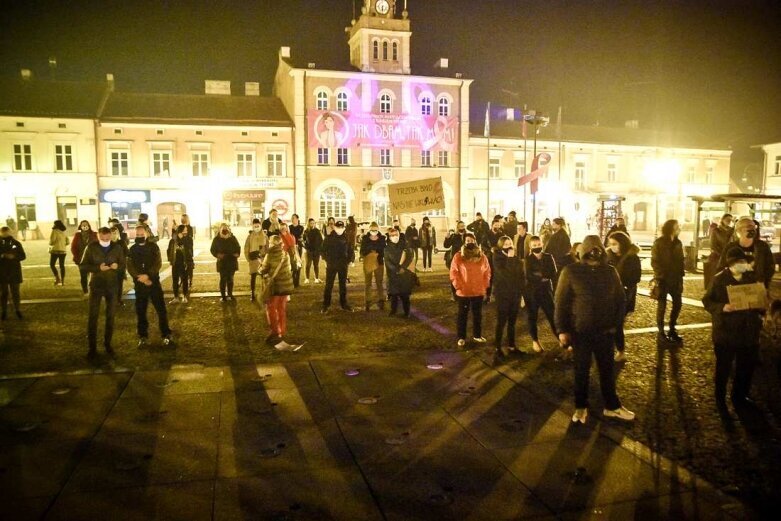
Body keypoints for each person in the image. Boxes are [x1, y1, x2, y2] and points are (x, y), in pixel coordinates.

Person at [555, 236, 635, 424]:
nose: (594, 254)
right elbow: (560, 303)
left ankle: (612, 406)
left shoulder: (610, 271)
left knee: (607, 370)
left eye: (597, 250)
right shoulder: (571, 271)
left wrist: (616, 324)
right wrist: (562, 330)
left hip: (605, 331)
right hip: (580, 331)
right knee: (581, 371)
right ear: (583, 252)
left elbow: (620, 300)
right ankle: (581, 407)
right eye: (590, 250)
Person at [703, 247, 765, 409]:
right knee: (723, 367)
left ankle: (740, 395)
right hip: (726, 332)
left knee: (745, 367)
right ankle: (720, 397)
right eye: (741, 262)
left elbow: (761, 304)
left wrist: (761, 300)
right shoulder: (719, 279)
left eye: (745, 261)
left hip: (748, 332)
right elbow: (707, 301)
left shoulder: (751, 278)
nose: (744, 264)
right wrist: (723, 307)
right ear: (732, 264)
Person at [80, 227, 125, 358]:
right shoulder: (91, 247)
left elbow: (123, 264)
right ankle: (92, 347)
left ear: (111, 236)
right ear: (98, 236)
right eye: (102, 238)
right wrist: (97, 268)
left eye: (107, 238)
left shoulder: (117, 248)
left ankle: (108, 344)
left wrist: (118, 267)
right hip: (96, 285)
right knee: (93, 316)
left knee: (110, 316)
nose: (105, 240)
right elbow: (83, 266)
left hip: (112, 286)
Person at [127, 225, 172, 347]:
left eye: (142, 235)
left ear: (146, 234)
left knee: (161, 310)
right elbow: (130, 266)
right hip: (140, 284)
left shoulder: (153, 247)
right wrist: (139, 277)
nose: (140, 237)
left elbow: (157, 263)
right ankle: (143, 336)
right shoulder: (132, 249)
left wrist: (148, 276)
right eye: (138, 235)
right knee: (141, 311)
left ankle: (166, 334)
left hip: (153, 283)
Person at [606, 231, 642, 362]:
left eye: (615, 244)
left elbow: (636, 277)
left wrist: (624, 285)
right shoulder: (608, 255)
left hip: (625, 295)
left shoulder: (632, 257)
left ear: (622, 243)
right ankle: (608, 349)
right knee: (610, 322)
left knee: (617, 322)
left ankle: (621, 351)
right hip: (608, 295)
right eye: (610, 244)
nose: (612, 246)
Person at [450, 236, 491, 347]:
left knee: (477, 315)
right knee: (462, 315)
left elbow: (487, 272)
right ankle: (461, 337)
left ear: (475, 241)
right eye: (468, 241)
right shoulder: (458, 256)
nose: (470, 242)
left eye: (472, 240)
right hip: (464, 291)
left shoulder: (482, 256)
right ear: (464, 242)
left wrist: (485, 285)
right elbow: (454, 272)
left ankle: (477, 335)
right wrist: (458, 286)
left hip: (478, 291)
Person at [717, 217, 775, 290]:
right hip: (735, 287)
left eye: (754, 227)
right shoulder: (730, 247)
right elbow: (722, 266)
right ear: (739, 230)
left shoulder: (762, 246)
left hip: (757, 286)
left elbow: (770, 266)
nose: (753, 229)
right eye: (749, 226)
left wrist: (763, 280)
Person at [652, 219, 685, 342]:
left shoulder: (678, 243)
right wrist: (660, 275)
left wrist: (681, 275)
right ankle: (661, 333)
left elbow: (681, 260)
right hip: (663, 279)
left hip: (675, 279)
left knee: (678, 304)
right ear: (670, 228)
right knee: (662, 306)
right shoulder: (659, 243)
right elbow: (655, 261)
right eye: (677, 226)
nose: (679, 228)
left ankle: (672, 329)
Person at [493, 236, 525, 359]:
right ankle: (497, 347)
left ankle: (511, 346)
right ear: (501, 246)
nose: (508, 246)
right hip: (503, 295)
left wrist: (521, 294)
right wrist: (510, 259)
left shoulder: (516, 259)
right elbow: (507, 275)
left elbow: (521, 277)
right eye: (505, 244)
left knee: (512, 322)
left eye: (510, 243)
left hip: (515, 295)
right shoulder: (497, 259)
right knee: (501, 321)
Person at [524, 236, 558, 353]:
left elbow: (553, 272)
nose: (537, 247)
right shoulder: (528, 259)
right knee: (532, 317)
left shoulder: (549, 257)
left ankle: (561, 339)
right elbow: (528, 275)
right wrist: (543, 276)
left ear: (542, 244)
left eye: (539, 244)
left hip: (546, 292)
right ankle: (535, 341)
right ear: (530, 247)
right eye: (534, 245)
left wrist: (539, 275)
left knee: (553, 316)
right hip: (532, 293)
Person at [260, 235, 294, 343]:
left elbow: (263, 269)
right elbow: (288, 268)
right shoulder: (285, 254)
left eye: (269, 242)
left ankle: (274, 331)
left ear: (273, 243)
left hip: (275, 287)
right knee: (281, 309)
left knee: (271, 309)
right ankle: (282, 331)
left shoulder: (270, 255)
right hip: (285, 286)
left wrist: (260, 268)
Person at [321, 220, 352, 313]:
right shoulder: (329, 238)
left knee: (343, 285)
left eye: (341, 227)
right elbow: (322, 250)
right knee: (329, 285)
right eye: (338, 227)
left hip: (342, 265)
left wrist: (349, 260)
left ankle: (344, 304)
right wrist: (327, 260)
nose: (340, 229)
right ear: (334, 227)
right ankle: (326, 304)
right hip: (332, 265)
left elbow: (350, 250)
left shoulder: (346, 238)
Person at [385, 227, 416, 317]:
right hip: (393, 274)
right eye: (392, 235)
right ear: (389, 237)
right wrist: (395, 269)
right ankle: (393, 310)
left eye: (396, 235)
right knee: (394, 295)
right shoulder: (387, 248)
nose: (394, 237)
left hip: (404, 274)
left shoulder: (405, 245)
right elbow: (387, 261)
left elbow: (409, 257)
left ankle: (407, 312)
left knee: (405, 294)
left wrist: (403, 267)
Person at [211, 223, 241, 301]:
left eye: (226, 228)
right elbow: (212, 249)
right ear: (220, 229)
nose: (225, 230)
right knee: (223, 279)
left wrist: (237, 254)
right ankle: (223, 296)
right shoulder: (216, 239)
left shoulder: (232, 238)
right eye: (223, 229)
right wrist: (217, 255)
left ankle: (230, 294)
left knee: (230, 279)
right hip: (222, 262)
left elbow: (238, 247)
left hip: (231, 261)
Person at [0, 227, 25, 320]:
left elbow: (23, 256)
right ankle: (4, 311)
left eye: (7, 232)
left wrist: (14, 256)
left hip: (14, 271)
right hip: (2, 272)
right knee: (3, 293)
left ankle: (17, 310)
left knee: (15, 292)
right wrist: (3, 255)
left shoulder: (16, 243)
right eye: (4, 233)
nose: (6, 234)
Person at [360, 222, 386, 311]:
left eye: (375, 230)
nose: (374, 231)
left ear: (378, 229)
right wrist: (370, 251)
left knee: (379, 282)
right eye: (372, 230)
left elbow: (383, 249)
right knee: (368, 283)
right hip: (368, 262)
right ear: (369, 229)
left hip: (379, 262)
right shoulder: (365, 238)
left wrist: (375, 250)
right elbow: (362, 251)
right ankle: (368, 301)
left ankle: (381, 300)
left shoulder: (382, 238)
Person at [705, 213, 734, 289]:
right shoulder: (716, 231)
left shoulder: (732, 231)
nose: (729, 221)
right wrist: (721, 254)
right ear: (722, 220)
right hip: (719, 256)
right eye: (727, 219)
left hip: (730, 256)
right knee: (718, 274)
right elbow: (713, 245)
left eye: (730, 220)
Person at [167, 224, 194, 304]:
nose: (186, 231)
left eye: (186, 230)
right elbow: (169, 250)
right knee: (175, 280)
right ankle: (176, 297)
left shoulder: (188, 239)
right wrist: (170, 259)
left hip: (184, 262)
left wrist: (183, 239)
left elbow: (189, 249)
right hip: (175, 263)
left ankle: (185, 296)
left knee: (185, 279)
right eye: (184, 230)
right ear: (180, 230)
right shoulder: (173, 240)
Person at [71, 220, 97, 298]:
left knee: (94, 276)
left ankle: (94, 291)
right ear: (80, 226)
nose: (85, 226)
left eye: (86, 225)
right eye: (83, 225)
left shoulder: (94, 234)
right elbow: (73, 247)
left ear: (89, 225)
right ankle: (85, 291)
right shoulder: (77, 235)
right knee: (83, 276)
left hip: (92, 259)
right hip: (81, 260)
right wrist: (77, 257)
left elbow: (97, 245)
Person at [245, 218, 267, 301]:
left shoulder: (265, 235)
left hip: (263, 259)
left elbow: (267, 247)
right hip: (253, 259)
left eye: (258, 226)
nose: (256, 227)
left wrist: (266, 258)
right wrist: (248, 258)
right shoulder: (250, 236)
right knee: (253, 277)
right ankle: (252, 293)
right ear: (253, 226)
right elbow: (246, 247)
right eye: (255, 226)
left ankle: (264, 293)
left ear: (260, 225)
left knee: (263, 277)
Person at [110, 225, 129, 306]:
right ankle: (111, 301)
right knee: (110, 285)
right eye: (111, 233)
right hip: (110, 268)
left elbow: (127, 253)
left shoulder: (121, 243)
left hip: (120, 268)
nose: (113, 235)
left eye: (115, 233)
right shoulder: (107, 243)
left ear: (118, 234)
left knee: (119, 285)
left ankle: (118, 300)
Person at [279, 222, 302, 287]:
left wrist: (296, 256)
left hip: (290, 254)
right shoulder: (279, 236)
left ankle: (293, 282)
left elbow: (292, 246)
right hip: (282, 255)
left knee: (293, 268)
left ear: (286, 228)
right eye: (281, 227)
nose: (283, 229)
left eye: (284, 227)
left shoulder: (290, 236)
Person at [303, 218, 323, 284]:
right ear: (308, 224)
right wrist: (306, 247)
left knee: (316, 265)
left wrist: (319, 249)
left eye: (313, 223)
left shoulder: (317, 231)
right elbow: (303, 240)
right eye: (311, 223)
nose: (312, 224)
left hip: (316, 251)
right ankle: (307, 278)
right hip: (309, 251)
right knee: (307, 265)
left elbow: (321, 241)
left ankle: (316, 278)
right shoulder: (306, 231)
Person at [49, 220, 69, 286]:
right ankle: (63, 281)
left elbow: (52, 241)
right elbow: (68, 242)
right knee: (62, 266)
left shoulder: (54, 231)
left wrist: (51, 244)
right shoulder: (64, 232)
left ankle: (57, 278)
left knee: (52, 264)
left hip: (55, 250)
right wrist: (62, 245)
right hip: (63, 251)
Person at [289, 214, 305, 287]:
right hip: (291, 247)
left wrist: (296, 238)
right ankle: (292, 279)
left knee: (298, 263)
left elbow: (300, 236)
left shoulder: (301, 227)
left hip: (298, 247)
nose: (293, 219)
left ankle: (297, 281)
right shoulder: (289, 227)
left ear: (297, 219)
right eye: (292, 218)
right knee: (292, 263)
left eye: (294, 218)